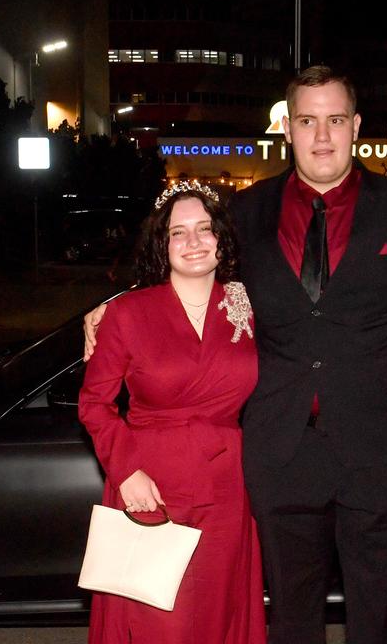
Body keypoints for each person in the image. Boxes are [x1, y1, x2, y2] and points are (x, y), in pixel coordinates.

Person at [87, 65, 387, 644]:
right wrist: (107, 311)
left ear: (356, 125)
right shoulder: (246, 212)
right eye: (308, 121)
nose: (322, 136)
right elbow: (192, 275)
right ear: (287, 128)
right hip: (281, 455)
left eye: (335, 120)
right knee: (290, 620)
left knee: (376, 620)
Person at [77, 183, 267, 644]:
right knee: (160, 622)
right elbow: (94, 404)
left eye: (204, 229)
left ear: (221, 238)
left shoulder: (246, 304)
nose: (194, 242)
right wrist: (126, 472)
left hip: (226, 488)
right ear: (163, 246)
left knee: (219, 616)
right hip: (152, 486)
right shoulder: (127, 313)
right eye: (178, 233)